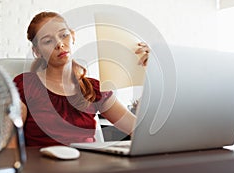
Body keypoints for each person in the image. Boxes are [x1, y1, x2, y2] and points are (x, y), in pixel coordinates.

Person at [12, 11, 150, 147]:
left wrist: (149, 73)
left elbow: (139, 130)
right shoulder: (25, 86)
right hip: (43, 167)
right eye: (48, 41)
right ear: (37, 51)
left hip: (86, 165)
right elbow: (8, 145)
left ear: (72, 36)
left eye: (64, 35)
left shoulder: (92, 89)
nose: (59, 44)